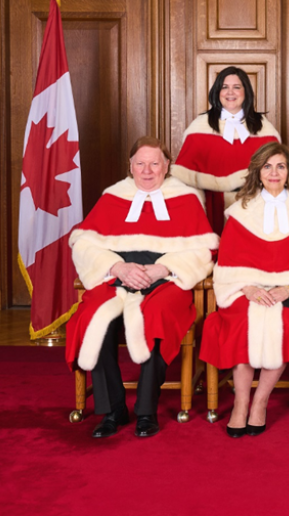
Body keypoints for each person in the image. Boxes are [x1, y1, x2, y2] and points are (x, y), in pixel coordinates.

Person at [66, 137, 219, 438]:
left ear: (166, 166)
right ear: (130, 166)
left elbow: (203, 249)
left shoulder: (186, 198)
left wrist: (163, 268)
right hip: (115, 276)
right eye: (140, 163)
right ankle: (113, 410)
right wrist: (117, 267)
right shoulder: (113, 196)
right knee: (94, 318)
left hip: (167, 278)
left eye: (154, 163)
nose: (147, 171)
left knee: (158, 317)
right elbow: (83, 243)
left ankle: (146, 411)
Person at [199, 143, 289, 438]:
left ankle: (260, 401)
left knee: (285, 322)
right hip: (246, 288)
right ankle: (240, 403)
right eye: (267, 166)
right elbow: (228, 260)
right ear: (257, 170)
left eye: (280, 166)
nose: (274, 172)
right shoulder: (240, 210)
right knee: (241, 322)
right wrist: (247, 286)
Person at [171, 66, 281, 234]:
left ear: (246, 92)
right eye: (225, 87)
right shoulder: (201, 125)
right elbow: (184, 175)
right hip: (211, 205)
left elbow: (278, 169)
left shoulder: (263, 126)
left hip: (253, 205)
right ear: (217, 92)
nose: (231, 92)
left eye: (237, 87)